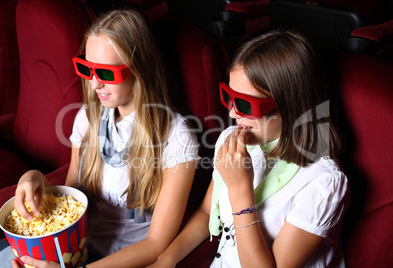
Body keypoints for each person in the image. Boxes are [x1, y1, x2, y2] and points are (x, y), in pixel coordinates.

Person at [0, 8, 199, 268]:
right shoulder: (88, 117)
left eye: (106, 73)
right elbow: (72, 196)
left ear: (141, 69)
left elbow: (156, 243)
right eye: (87, 68)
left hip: (125, 259)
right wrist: (34, 178)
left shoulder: (176, 136)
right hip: (74, 246)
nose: (94, 84)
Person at [149, 29, 350, 267]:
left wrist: (240, 190)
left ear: (290, 106)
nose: (232, 113)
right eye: (230, 97)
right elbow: (206, 213)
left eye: (245, 104)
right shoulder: (232, 141)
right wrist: (166, 260)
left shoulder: (324, 183)